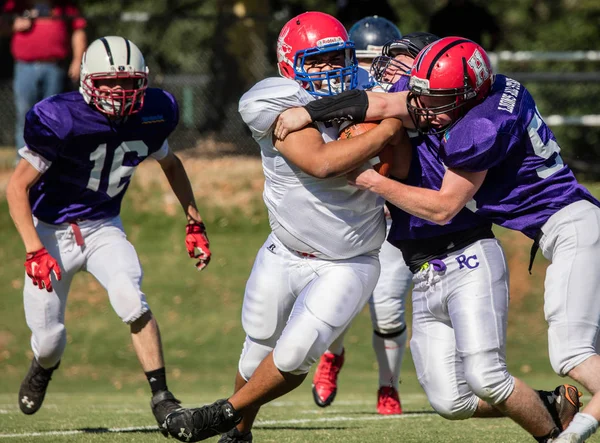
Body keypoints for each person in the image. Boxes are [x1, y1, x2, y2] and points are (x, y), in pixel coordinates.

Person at [273, 37, 589, 442]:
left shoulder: (473, 123)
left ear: (456, 91)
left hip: (470, 253)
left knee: (488, 377)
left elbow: (443, 208)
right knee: (450, 401)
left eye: (403, 66)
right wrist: (307, 111)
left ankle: (554, 435)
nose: (397, 80)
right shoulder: (431, 103)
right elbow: (381, 104)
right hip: (422, 268)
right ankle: (550, 406)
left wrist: (372, 179)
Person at [163, 11, 407, 443]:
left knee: (294, 355)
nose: (332, 70)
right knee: (256, 346)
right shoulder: (270, 99)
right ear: (289, 66)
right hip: (284, 250)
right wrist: (387, 125)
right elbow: (322, 162)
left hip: (349, 260)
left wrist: (387, 123)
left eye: (339, 58)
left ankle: (219, 415)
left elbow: (401, 168)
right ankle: (239, 433)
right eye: (318, 61)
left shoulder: (369, 95)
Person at [5, 36, 211, 437]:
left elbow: (171, 164)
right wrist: (33, 249)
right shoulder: (59, 117)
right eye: (109, 83)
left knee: (132, 299)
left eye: (129, 82)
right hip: (51, 231)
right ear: (87, 81)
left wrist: (194, 221)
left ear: (144, 81)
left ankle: (162, 396)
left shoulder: (154, 111)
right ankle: (42, 367)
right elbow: (16, 188)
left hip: (103, 227)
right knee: (50, 341)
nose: (120, 92)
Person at [311, 28, 424, 417]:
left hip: (392, 214)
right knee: (338, 300)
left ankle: (388, 386)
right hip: (348, 214)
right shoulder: (331, 88)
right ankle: (332, 354)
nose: (377, 67)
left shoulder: (413, 93)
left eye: (387, 57)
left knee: (389, 308)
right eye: (362, 57)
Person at [1, 0, 87, 160]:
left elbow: (78, 31)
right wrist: (14, 24)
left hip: (55, 67)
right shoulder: (17, 5)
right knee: (25, 116)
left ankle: (52, 159)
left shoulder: (65, 6)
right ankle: (24, 160)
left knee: (54, 116)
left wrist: (78, 60)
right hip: (25, 67)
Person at [429, 0, 500, 50]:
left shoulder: (478, 12)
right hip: (446, 57)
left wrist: (489, 50)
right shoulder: (440, 16)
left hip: (474, 56)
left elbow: (495, 33)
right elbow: (431, 40)